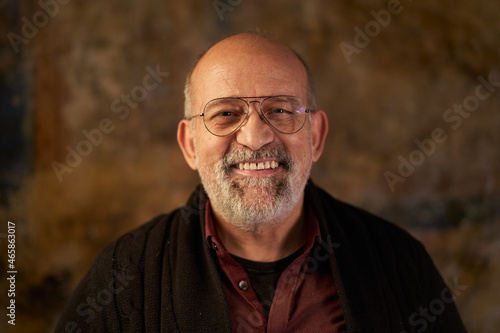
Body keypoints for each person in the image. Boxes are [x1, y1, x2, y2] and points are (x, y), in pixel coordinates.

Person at [54, 32, 466, 333]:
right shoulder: (124, 276)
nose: (255, 137)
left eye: (281, 110)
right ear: (190, 144)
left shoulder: (397, 262)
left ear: (317, 136)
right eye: (226, 114)